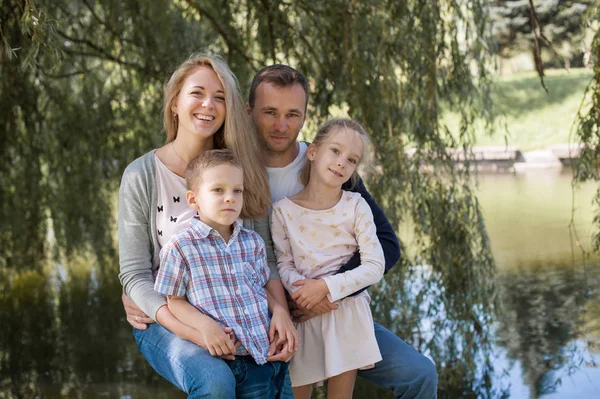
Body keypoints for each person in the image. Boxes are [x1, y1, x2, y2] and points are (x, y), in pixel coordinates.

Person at [246, 64, 439, 398]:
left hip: (337, 307)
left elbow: (387, 246)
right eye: (269, 112)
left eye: (293, 114)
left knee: (419, 374)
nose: (281, 125)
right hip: (266, 315)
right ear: (249, 112)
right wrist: (291, 303)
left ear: (305, 117)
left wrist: (327, 291)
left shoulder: (331, 165)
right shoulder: (235, 173)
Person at [118, 54, 297, 399]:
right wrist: (197, 331)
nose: (208, 105)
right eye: (197, 93)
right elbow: (134, 275)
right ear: (174, 103)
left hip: (240, 312)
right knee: (215, 382)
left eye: (220, 97)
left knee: (273, 377)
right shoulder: (141, 175)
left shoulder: (241, 171)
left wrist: (280, 312)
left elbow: (265, 259)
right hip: (165, 315)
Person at [154, 149, 292, 398]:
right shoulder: (181, 246)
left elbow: (259, 288)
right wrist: (205, 326)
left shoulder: (253, 242)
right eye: (218, 190)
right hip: (230, 356)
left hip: (267, 353)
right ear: (194, 200)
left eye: (236, 191)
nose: (230, 198)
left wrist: (279, 310)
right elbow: (175, 301)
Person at [271, 118, 385, 398]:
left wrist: (326, 289)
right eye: (335, 151)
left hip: (346, 312)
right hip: (303, 316)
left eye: (351, 159)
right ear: (313, 151)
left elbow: (374, 266)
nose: (341, 162)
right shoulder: (282, 211)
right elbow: (282, 263)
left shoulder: (356, 206)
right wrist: (302, 291)